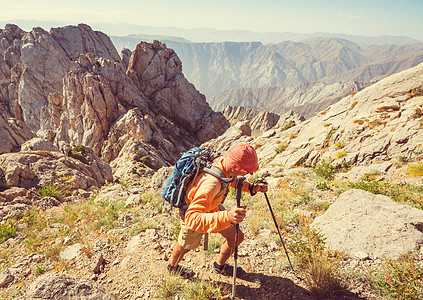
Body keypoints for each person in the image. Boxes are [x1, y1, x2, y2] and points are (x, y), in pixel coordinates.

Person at [167, 142, 268, 278]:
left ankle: (219, 266)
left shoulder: (224, 164)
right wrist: (226, 216)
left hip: (213, 209)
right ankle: (173, 267)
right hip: (194, 213)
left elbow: (229, 179)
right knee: (185, 246)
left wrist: (252, 188)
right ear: (235, 166)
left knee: (236, 239)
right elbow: (192, 218)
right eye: (246, 170)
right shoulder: (211, 184)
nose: (250, 173)